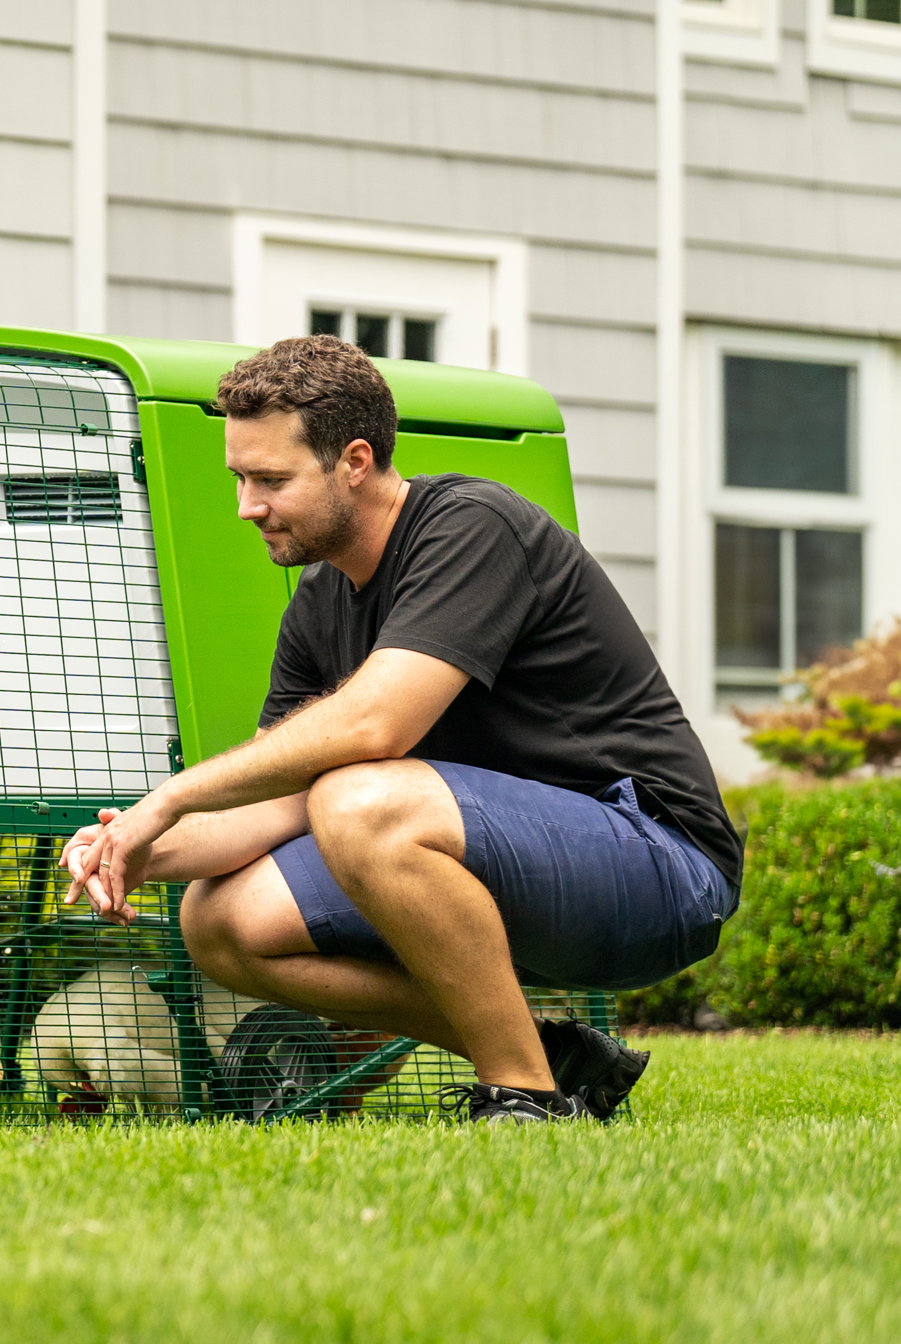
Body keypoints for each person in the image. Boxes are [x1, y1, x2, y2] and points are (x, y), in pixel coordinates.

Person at [61, 335, 740, 1123]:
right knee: (219, 921)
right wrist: (137, 849)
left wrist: (170, 797)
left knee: (360, 800)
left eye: (271, 479)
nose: (247, 505)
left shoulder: (472, 526)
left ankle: (522, 1096)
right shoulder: (319, 603)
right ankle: (554, 1058)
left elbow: (377, 721)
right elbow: (283, 799)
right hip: (502, 864)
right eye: (240, 477)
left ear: (354, 460)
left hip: (656, 862)